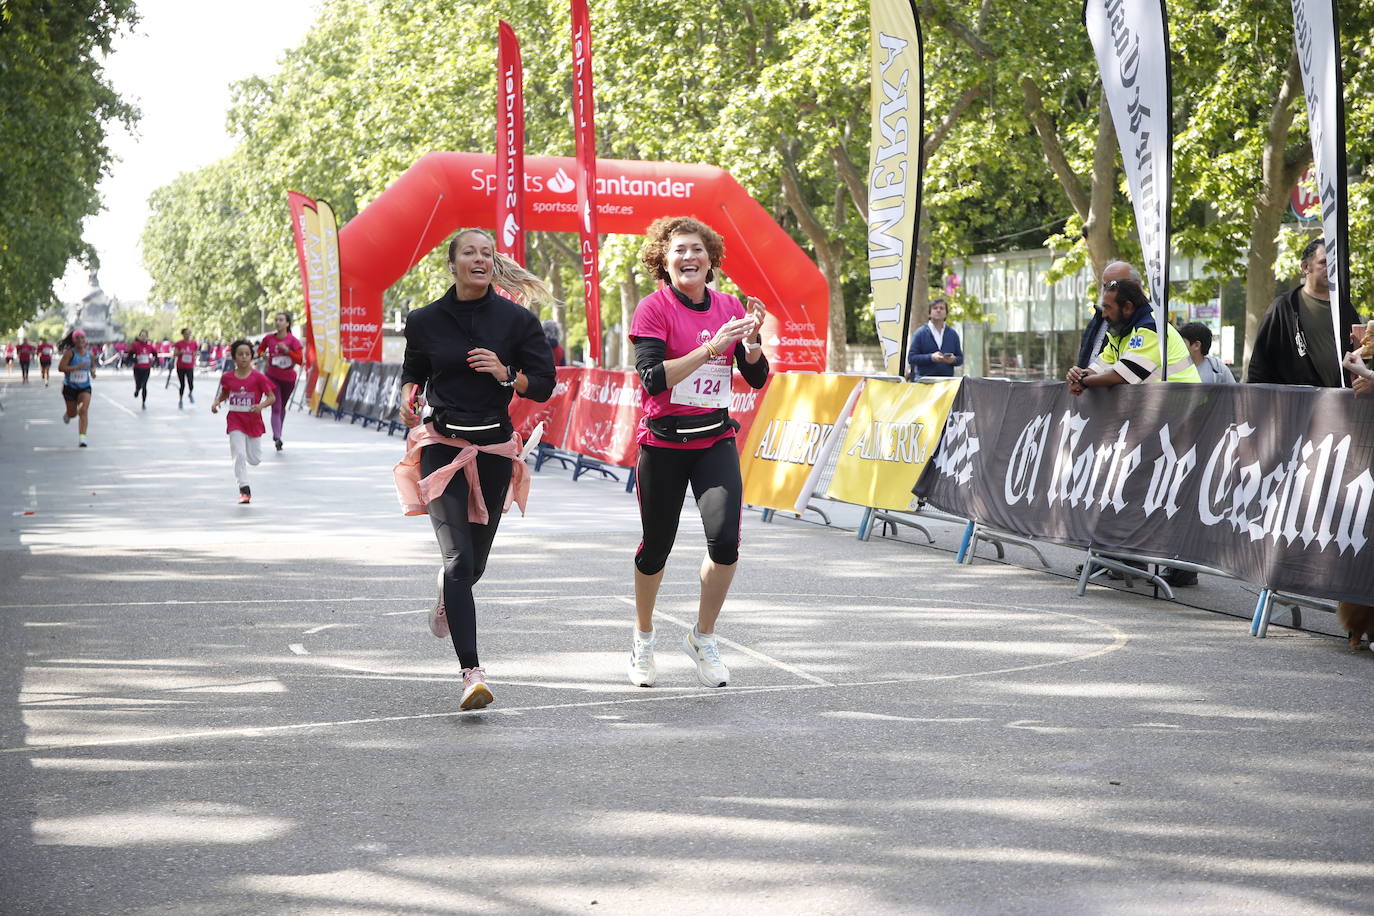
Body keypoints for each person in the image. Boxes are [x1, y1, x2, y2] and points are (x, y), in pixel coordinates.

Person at [395, 228, 556, 712]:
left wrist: (506, 373)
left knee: (473, 565)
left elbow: (543, 386)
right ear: (454, 263)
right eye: (470, 252)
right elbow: (414, 367)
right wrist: (408, 392)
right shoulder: (424, 320)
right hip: (441, 448)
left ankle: (448, 588)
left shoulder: (517, 322)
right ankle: (472, 674)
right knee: (460, 562)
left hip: (493, 451)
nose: (480, 259)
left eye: (487, 253)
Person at [626, 216, 770, 689]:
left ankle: (703, 637)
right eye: (679, 251)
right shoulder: (653, 309)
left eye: (697, 250)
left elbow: (755, 376)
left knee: (726, 545)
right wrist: (711, 349)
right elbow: (652, 379)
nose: (689, 257)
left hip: (715, 439)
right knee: (656, 549)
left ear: (711, 261)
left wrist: (749, 344)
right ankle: (644, 638)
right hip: (663, 443)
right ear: (664, 263)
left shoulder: (729, 305)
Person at [1066, 278, 1201, 586]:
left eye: (1108, 308)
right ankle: (1126, 555)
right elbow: (1100, 368)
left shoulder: (1149, 328)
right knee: (1138, 486)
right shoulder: (1121, 331)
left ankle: (1178, 567)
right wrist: (1079, 374)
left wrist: (1085, 381)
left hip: (1185, 418)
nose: (1103, 315)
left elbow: (1124, 375)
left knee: (1169, 491)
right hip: (1157, 420)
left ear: (1128, 307)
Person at [1247, 238, 1362, 386]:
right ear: (1306, 267)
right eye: (1324, 262)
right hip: (1296, 405)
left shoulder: (1346, 309)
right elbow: (1259, 367)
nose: (1332, 268)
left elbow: (1361, 355)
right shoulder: (1283, 308)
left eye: (1335, 262)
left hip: (1341, 402)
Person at [209, 339, 276, 504]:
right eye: (240, 354)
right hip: (235, 420)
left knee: (254, 459)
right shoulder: (227, 377)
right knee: (238, 454)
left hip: (253, 420)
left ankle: (246, 456)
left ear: (251, 357)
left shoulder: (258, 378)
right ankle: (244, 489)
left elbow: (272, 397)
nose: (244, 357)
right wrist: (217, 402)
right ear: (234, 358)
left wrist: (261, 406)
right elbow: (226, 393)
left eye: (247, 354)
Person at [1076, 261, 1141, 369]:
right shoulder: (1099, 318)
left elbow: (1121, 374)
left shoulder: (1146, 325)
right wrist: (1079, 376)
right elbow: (1093, 365)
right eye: (1105, 285)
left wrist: (1085, 379)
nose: (1107, 291)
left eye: (1114, 285)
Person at [257, 312, 304, 451]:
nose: (278, 322)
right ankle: (277, 436)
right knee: (275, 406)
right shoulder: (269, 338)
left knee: (282, 406)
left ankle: (279, 433)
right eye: (276, 320)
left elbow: (300, 360)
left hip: (288, 378)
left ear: (287, 323)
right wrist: (262, 355)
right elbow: (260, 349)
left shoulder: (293, 341)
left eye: (281, 320)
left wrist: (288, 350)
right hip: (272, 376)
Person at [906, 297, 963, 379]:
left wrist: (953, 360)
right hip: (924, 382)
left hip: (947, 382)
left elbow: (960, 358)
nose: (938, 310)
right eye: (935, 308)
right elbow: (911, 358)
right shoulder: (920, 333)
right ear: (929, 313)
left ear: (946, 313)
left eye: (942, 308)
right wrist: (931, 357)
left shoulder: (952, 334)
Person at [57, 329, 95, 447]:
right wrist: (77, 367)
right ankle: (68, 414)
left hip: (85, 387)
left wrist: (93, 372)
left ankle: (82, 438)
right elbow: (61, 368)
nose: (80, 340)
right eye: (77, 338)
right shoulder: (70, 353)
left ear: (85, 340)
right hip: (70, 387)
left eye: (82, 338)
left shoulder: (90, 354)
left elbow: (92, 366)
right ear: (74, 340)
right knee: (73, 414)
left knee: (83, 410)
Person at [128, 330, 157, 410]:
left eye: (145, 336)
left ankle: (143, 402)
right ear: (139, 337)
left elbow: (155, 354)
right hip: (137, 368)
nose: (143, 337)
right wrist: (134, 360)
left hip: (146, 369)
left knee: (144, 385)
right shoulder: (136, 345)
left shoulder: (149, 346)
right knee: (138, 384)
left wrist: (154, 361)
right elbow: (130, 355)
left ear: (147, 337)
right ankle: (137, 389)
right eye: (142, 336)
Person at [171, 328, 198, 408]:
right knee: (182, 384)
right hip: (181, 367)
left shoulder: (194, 343)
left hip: (189, 366)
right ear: (183, 335)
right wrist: (180, 352)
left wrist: (194, 354)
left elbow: (196, 352)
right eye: (186, 334)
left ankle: (190, 393)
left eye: (189, 333)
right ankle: (180, 400)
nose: (187, 335)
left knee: (191, 383)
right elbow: (174, 354)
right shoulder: (179, 343)